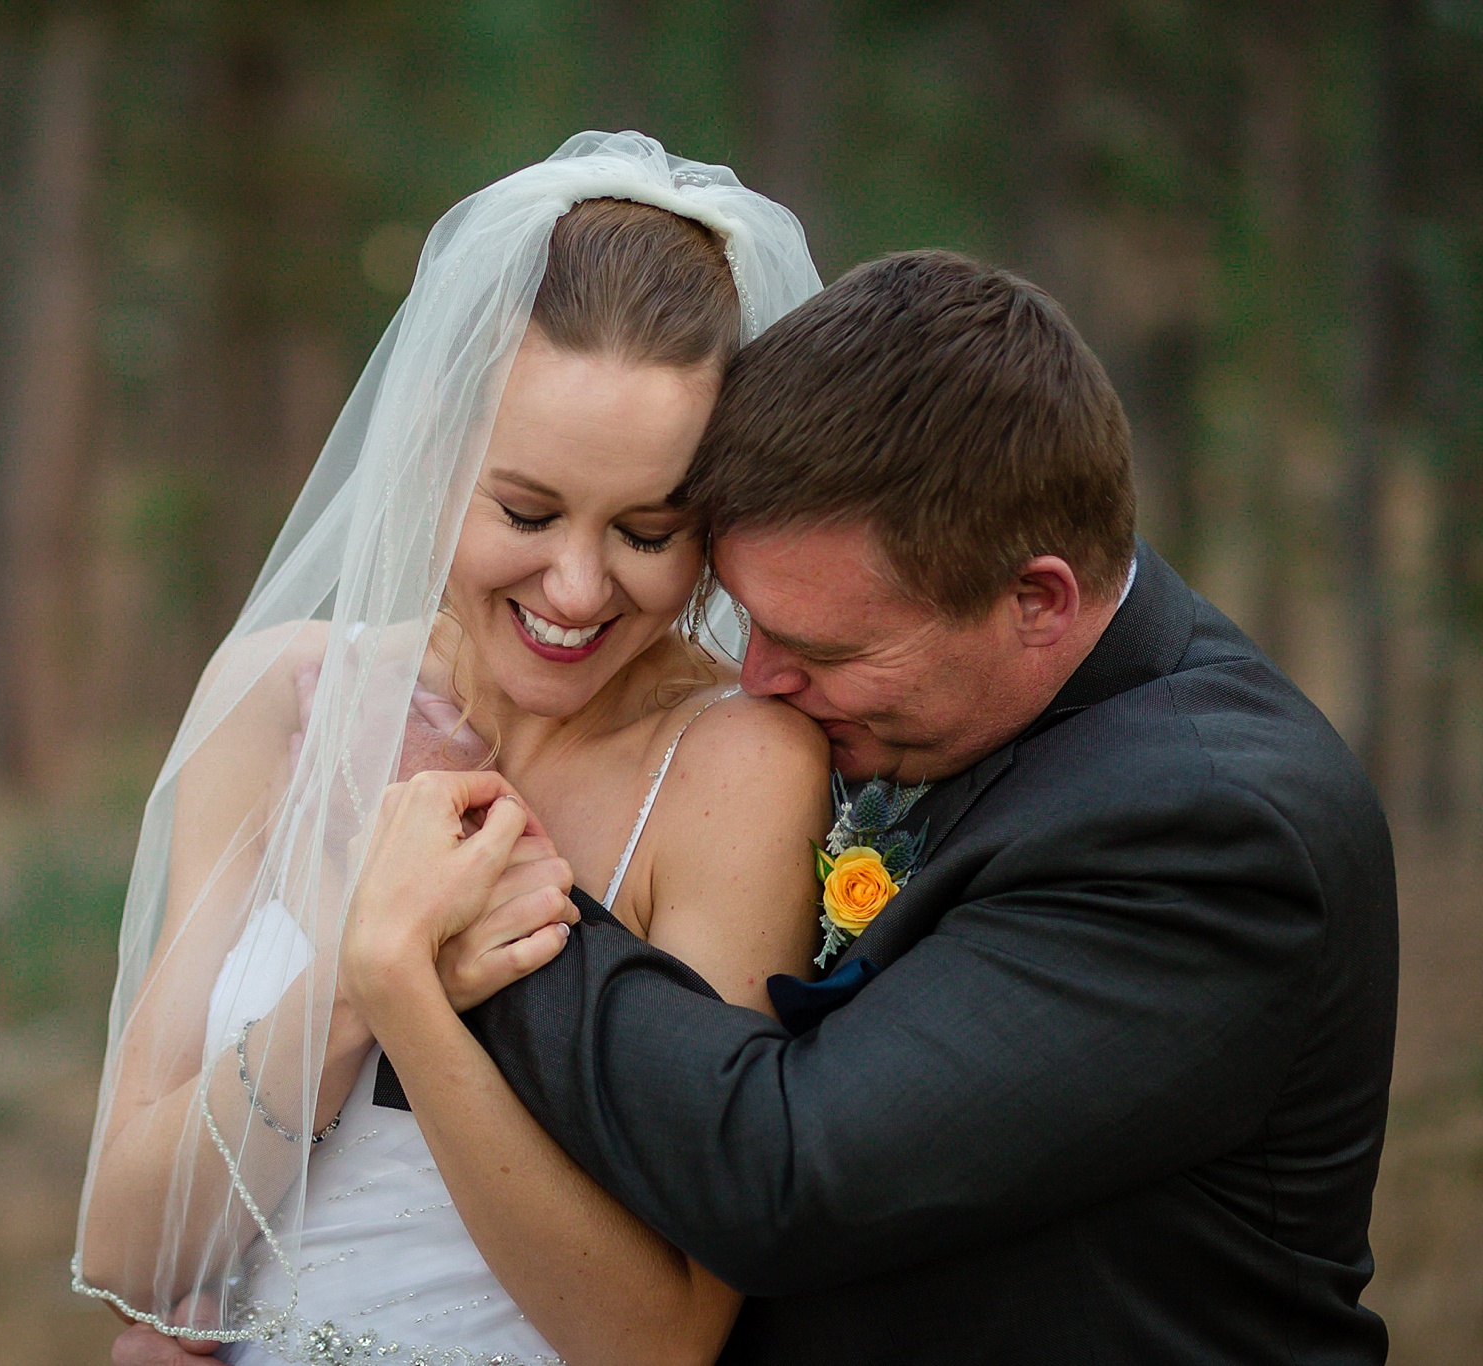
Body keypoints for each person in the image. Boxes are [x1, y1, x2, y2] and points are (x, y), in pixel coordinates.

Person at [343, 249, 1400, 1364]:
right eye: (746, 622)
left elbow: (787, 1172)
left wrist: (491, 894)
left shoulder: (1211, 829)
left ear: (1034, 599)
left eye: (817, 647)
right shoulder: (928, 712)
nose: (754, 680)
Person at [77, 133, 830, 1366]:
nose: (577, 587)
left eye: (647, 529)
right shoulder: (283, 698)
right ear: (430, 457)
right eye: (526, 512)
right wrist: (341, 972)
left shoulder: (736, 772)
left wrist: (399, 987)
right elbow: (123, 1246)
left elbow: (662, 1338)